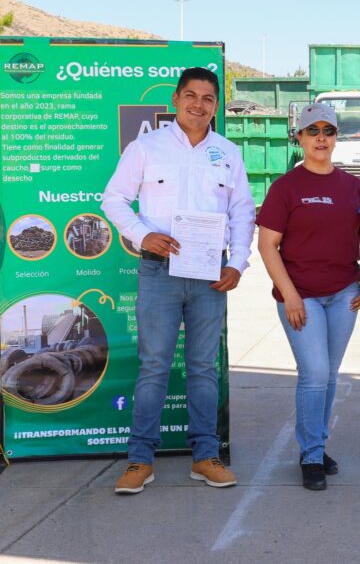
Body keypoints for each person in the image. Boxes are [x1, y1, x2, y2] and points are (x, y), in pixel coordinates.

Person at [102, 67, 255, 494]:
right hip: (158, 271)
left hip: (210, 275)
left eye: (208, 98)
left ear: (216, 106)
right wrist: (142, 233)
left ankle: (205, 456)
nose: (198, 105)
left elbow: (243, 211)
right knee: (154, 366)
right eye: (191, 96)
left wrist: (237, 263)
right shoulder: (146, 148)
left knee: (204, 367)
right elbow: (113, 199)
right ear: (175, 100)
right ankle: (139, 461)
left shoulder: (228, 152)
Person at [255, 103, 360, 491]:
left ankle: (317, 445)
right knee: (315, 374)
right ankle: (310, 455)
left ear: (336, 138)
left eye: (328, 131)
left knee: (329, 376)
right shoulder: (286, 187)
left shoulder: (353, 186)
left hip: (343, 294)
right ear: (300, 138)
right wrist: (289, 295)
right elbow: (268, 246)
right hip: (301, 296)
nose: (321, 137)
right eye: (312, 131)